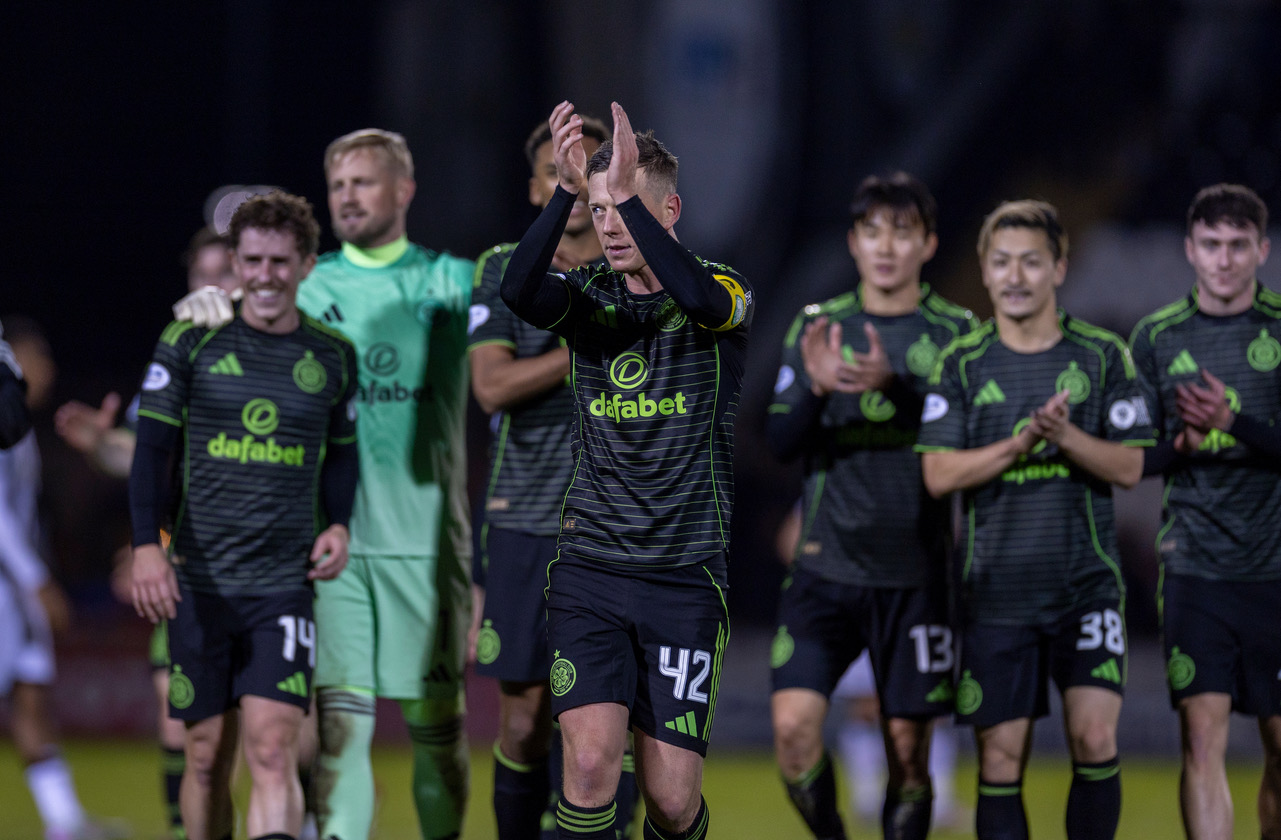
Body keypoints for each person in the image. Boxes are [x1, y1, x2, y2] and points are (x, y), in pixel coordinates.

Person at [174, 129, 476, 840]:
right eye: (337, 184)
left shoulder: (452, 281)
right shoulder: (307, 281)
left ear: (402, 192)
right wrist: (207, 309)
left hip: (427, 545)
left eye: (362, 182)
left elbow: (528, 315)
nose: (346, 196)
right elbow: (247, 311)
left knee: (439, 728)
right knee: (340, 729)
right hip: (330, 547)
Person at [501, 100, 752, 840]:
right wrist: (571, 192)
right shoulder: (588, 303)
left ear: (666, 210)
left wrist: (615, 191)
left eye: (625, 209)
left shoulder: (724, 292)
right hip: (590, 569)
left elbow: (700, 297)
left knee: (672, 803)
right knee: (584, 771)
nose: (608, 226)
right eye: (601, 213)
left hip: (683, 576)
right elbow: (519, 289)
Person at [916, 199, 1155, 840]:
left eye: (1030, 261)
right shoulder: (961, 365)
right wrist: (1017, 446)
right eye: (1002, 263)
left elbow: (1131, 467)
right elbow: (938, 475)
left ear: (1059, 268)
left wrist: (1068, 439)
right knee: (999, 757)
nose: (1015, 276)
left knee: (1094, 733)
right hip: (996, 596)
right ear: (985, 273)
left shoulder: (1103, 356)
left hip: (1087, 589)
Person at [129, 192, 359, 840]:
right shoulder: (189, 341)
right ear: (234, 261)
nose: (264, 274)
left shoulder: (332, 356)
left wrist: (339, 524)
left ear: (307, 265)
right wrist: (148, 545)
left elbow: (343, 460)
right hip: (200, 584)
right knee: (205, 758)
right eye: (252, 259)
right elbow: (151, 454)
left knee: (272, 749)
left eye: (280, 261)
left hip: (283, 586)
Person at [765, 172, 974, 840]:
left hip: (916, 578)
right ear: (853, 243)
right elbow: (779, 442)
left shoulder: (956, 334)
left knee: (909, 756)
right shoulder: (817, 327)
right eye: (872, 232)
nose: (886, 247)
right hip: (825, 571)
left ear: (928, 243)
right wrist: (818, 391)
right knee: (793, 732)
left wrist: (898, 387)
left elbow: (966, 440)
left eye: (902, 232)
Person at [470, 116, 639, 840]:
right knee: (525, 716)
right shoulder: (504, 267)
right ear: (538, 184)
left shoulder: (635, 268)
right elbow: (491, 387)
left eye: (587, 172)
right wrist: (588, 350)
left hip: (617, 525)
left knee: (614, 721)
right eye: (558, 171)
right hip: (525, 518)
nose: (573, 184)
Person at [56, 226, 238, 840]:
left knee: (286, 739)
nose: (213, 287)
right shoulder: (176, 362)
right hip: (192, 565)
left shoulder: (286, 353)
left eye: (226, 273)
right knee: (177, 723)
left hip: (276, 568)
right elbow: (141, 456)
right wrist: (104, 443)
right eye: (201, 276)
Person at [1128, 183, 1281, 840]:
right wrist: (1179, 444)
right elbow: (1134, 457)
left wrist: (1233, 422)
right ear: (1189, 249)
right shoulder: (1155, 339)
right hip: (1193, 568)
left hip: (1274, 569)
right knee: (1200, 740)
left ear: (1261, 250)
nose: (1223, 259)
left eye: (1237, 245)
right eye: (1211, 245)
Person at [0, 318, 125, 840]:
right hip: (9, 585)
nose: (46, 370)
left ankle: (64, 821)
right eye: (37, 359)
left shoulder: (19, 428)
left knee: (31, 695)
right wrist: (37, 581)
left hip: (13, 586)